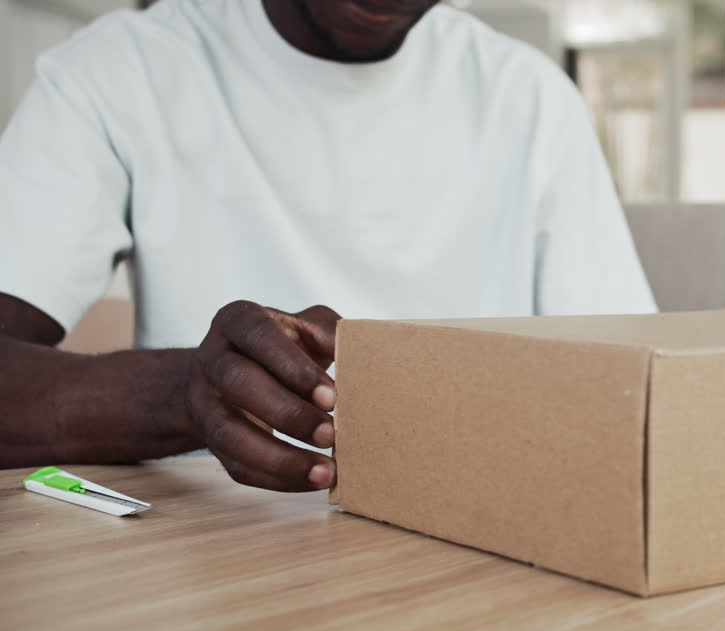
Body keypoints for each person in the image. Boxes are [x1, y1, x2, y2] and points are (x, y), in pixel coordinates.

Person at [0, 0, 657, 490]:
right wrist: (186, 395)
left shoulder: (531, 98)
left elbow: (639, 393)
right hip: (214, 564)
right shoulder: (121, 70)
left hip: (473, 552)